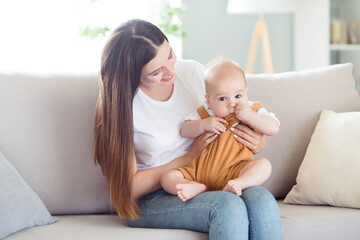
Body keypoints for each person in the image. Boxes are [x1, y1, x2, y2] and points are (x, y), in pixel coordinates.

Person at [93, 19, 283, 240]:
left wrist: (256, 141)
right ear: (132, 74)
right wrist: (189, 156)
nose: (170, 71)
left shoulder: (191, 72)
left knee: (262, 200)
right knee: (227, 206)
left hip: (212, 175)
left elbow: (228, 108)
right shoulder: (122, 107)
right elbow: (128, 189)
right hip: (156, 197)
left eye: (170, 55)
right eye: (156, 72)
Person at [161, 57, 280, 202]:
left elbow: (273, 128)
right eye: (223, 99)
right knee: (167, 177)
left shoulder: (252, 109)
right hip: (198, 172)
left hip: (235, 171)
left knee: (264, 165)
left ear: (246, 92)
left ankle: (238, 184)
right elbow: (184, 130)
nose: (232, 104)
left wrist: (251, 117)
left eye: (238, 96)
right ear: (209, 100)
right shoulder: (206, 113)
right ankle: (192, 186)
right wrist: (204, 124)